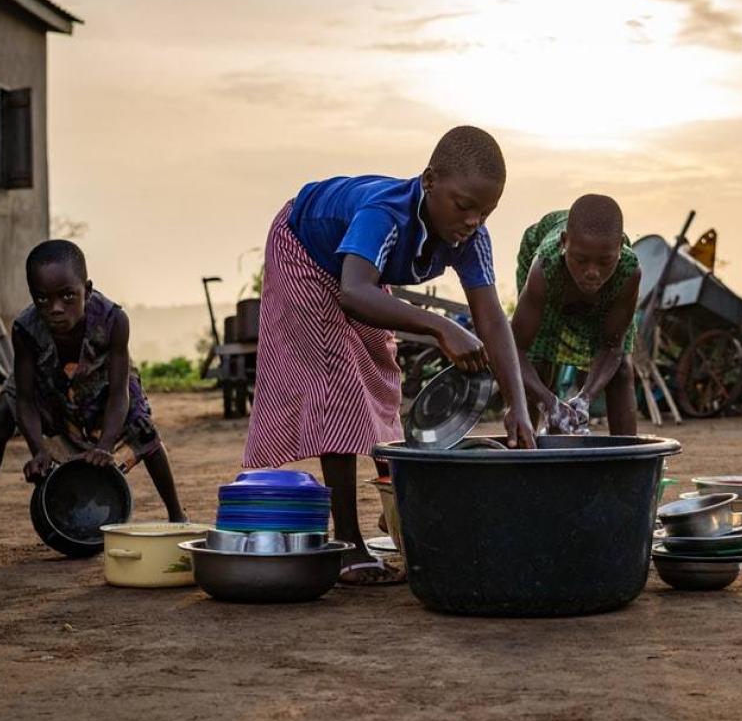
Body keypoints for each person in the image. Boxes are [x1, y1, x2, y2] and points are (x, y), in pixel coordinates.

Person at [243, 126, 536, 586]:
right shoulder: (385, 213)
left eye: (486, 211)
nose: (473, 221)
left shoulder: (471, 237)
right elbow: (355, 292)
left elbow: (491, 318)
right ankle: (347, 546)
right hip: (304, 250)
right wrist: (440, 327)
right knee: (336, 383)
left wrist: (518, 405)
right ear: (430, 181)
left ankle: (395, 508)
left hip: (353, 273)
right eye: (464, 206)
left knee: (381, 371)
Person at [0, 240, 186, 546]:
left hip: (104, 385)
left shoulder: (113, 321)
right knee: (1, 416)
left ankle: (178, 519)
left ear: (87, 290)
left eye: (68, 296)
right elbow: (25, 398)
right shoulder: (25, 330)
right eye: (42, 299)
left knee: (144, 430)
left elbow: (120, 392)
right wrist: (38, 449)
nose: (55, 308)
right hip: (47, 385)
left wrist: (105, 445)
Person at [511, 194, 641, 437]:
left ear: (619, 252)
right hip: (549, 272)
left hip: (605, 296)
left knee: (622, 368)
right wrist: (549, 402)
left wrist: (586, 398)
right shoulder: (544, 267)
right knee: (538, 358)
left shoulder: (628, 271)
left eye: (605, 261)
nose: (592, 272)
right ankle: (523, 454)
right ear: (564, 243)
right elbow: (515, 349)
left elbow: (612, 346)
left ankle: (628, 461)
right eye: (581, 260)